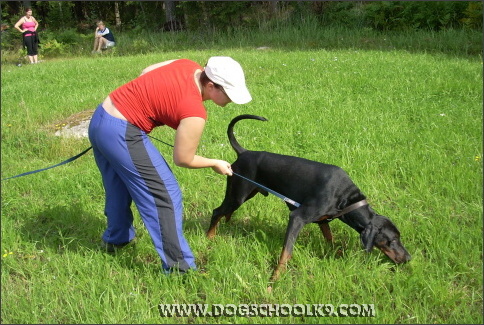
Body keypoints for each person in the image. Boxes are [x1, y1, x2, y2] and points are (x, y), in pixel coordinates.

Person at [88, 56, 252, 274]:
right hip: (121, 132)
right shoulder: (194, 111)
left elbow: (147, 71)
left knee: (118, 186)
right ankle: (179, 269)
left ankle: (116, 240)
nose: (231, 100)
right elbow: (183, 159)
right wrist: (214, 162)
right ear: (210, 85)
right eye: (229, 94)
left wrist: (151, 103)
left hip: (102, 117)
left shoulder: (187, 65)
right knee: (164, 194)